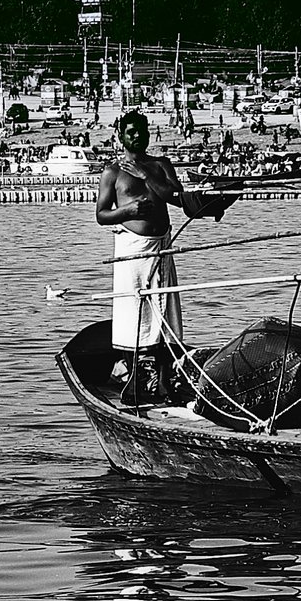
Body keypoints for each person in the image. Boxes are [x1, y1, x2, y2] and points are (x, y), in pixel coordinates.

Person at [95, 109, 186, 403]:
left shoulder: (161, 165)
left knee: (163, 308)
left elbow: (175, 196)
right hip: (132, 248)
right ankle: (134, 380)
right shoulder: (113, 172)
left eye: (141, 131)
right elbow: (102, 214)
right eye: (131, 132)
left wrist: (146, 174)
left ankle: (163, 382)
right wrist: (128, 212)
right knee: (133, 310)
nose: (137, 136)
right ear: (121, 136)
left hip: (161, 246)